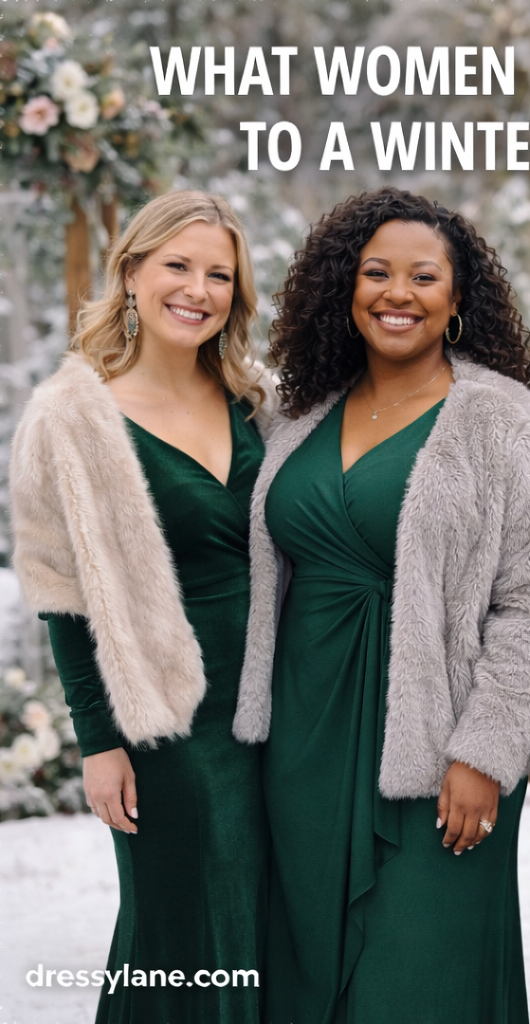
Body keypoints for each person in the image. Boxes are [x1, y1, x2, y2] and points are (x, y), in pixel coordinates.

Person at [230, 186, 530, 1024]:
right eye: (376, 273)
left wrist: (485, 753)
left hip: (441, 748)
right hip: (303, 744)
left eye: (423, 277)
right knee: (307, 976)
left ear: (458, 299)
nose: (397, 293)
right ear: (345, 289)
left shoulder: (504, 421)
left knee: (420, 980)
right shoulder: (299, 417)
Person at [9, 191, 274, 1022]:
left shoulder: (259, 400)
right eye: (177, 266)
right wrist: (98, 743)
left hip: (286, 704)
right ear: (130, 272)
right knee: (181, 934)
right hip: (166, 721)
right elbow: (59, 594)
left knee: (271, 932)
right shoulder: (70, 417)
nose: (198, 289)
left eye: (219, 275)